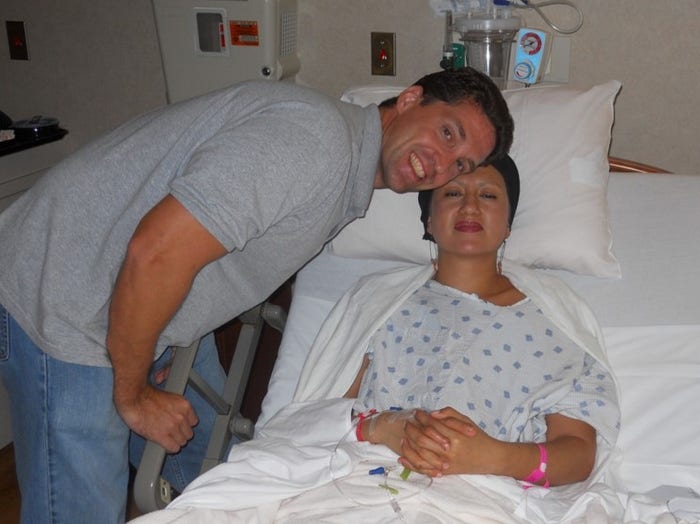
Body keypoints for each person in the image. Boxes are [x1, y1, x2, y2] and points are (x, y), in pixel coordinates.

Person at [0, 66, 513, 523]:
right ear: (408, 100)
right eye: (448, 133)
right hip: (70, 297)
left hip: (151, 306)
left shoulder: (342, 169)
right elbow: (155, 253)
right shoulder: (314, 143)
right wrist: (133, 393)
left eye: (463, 164)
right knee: (82, 506)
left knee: (231, 474)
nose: (443, 164)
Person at [130, 156, 621, 522]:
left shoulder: (553, 317)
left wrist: (492, 455)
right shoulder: (378, 300)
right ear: (427, 221)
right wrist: (381, 426)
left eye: (488, 195)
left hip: (481, 497)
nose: (470, 204)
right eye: (452, 193)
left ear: (509, 222)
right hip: (357, 480)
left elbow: (577, 452)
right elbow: (311, 419)